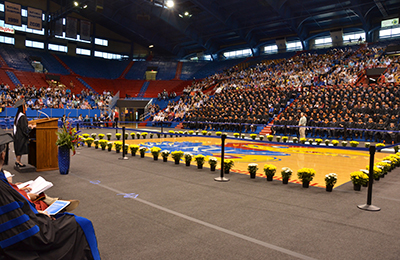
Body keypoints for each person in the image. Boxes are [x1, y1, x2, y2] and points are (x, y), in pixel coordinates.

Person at [0, 128, 101, 259]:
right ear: (3, 155)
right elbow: (27, 233)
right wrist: (43, 218)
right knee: (81, 223)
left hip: (24, 229)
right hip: (24, 245)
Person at [13, 99, 34, 167]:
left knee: (19, 148)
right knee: (20, 148)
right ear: (23, 108)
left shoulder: (18, 115)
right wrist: (31, 127)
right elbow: (24, 129)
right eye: (25, 106)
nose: (26, 107)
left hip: (17, 135)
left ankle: (17, 161)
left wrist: (27, 125)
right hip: (20, 136)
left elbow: (21, 125)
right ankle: (18, 161)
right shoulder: (22, 116)